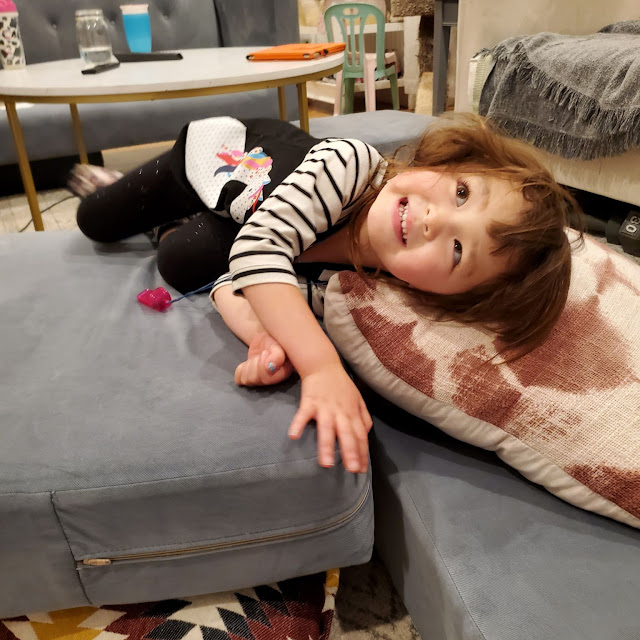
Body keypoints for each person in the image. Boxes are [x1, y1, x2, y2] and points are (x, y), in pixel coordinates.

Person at [75, 113, 581, 475]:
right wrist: (319, 366)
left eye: (456, 250)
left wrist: (263, 336)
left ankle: (168, 226)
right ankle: (148, 196)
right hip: (222, 159)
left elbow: (237, 284)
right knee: (94, 220)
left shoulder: (359, 290)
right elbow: (259, 250)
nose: (435, 218)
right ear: (451, 161)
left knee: (182, 260)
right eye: (462, 192)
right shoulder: (348, 164)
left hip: (236, 226)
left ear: (447, 296)